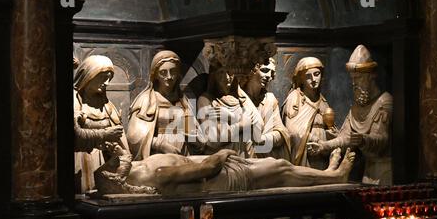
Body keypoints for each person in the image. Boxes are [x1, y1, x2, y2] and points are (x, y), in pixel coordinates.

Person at [94, 143, 355, 196]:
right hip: (224, 178)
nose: (114, 157)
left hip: (222, 170)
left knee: (281, 167)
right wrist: (222, 152)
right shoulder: (158, 175)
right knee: (281, 168)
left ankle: (326, 174)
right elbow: (205, 169)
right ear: (120, 176)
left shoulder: (145, 164)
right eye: (113, 164)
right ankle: (334, 176)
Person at [308, 45, 393, 185]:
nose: (354, 83)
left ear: (371, 77)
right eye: (352, 79)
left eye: (358, 78)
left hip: (386, 172)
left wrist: (363, 140)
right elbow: (345, 137)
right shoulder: (356, 108)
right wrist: (324, 145)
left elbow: (382, 139)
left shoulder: (384, 102)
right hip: (367, 173)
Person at [127, 50, 204, 160]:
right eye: (163, 72)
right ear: (155, 75)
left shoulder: (183, 101)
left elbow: (197, 138)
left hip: (183, 154)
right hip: (158, 156)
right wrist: (160, 145)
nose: (169, 76)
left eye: (173, 71)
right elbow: (134, 136)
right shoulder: (146, 100)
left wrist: (191, 133)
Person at [73, 55, 129, 193]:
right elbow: (73, 137)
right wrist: (104, 135)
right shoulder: (74, 101)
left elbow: (122, 145)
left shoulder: (107, 106)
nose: (107, 83)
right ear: (89, 75)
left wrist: (117, 151)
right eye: (103, 78)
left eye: (109, 78)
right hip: (80, 161)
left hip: (104, 163)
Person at [197, 66, 264, 158]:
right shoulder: (205, 100)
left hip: (247, 155)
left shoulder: (241, 98)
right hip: (224, 161)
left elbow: (259, 126)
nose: (227, 78)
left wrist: (232, 117)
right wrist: (240, 125)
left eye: (230, 72)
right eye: (221, 73)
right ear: (213, 76)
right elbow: (212, 140)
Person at [282, 57, 337, 169]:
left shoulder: (323, 102)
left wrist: (332, 135)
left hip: (322, 154)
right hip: (305, 154)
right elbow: (292, 130)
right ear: (301, 79)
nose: (313, 79)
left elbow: (328, 127)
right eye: (308, 76)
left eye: (317, 74)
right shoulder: (295, 98)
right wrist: (315, 140)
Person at [242, 58, 291, 160]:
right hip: (243, 155)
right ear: (252, 71)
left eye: (271, 72)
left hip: (265, 157)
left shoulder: (270, 99)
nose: (269, 76)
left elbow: (282, 133)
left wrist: (263, 139)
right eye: (264, 70)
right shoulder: (239, 98)